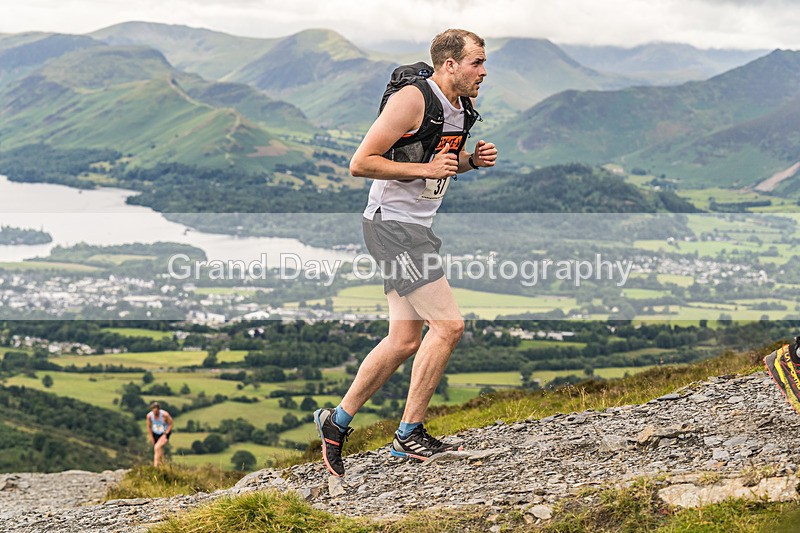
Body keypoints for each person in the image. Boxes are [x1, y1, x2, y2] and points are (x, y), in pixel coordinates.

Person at [314, 28, 497, 477]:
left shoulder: (462, 108)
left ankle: (335, 422)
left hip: (414, 228)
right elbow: (361, 162)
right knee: (449, 325)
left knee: (404, 340)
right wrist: (428, 168)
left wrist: (472, 161)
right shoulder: (414, 99)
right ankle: (408, 435)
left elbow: (437, 164)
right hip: (392, 228)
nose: (484, 71)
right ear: (449, 64)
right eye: (476, 62)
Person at [146, 401, 173, 467]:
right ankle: (162, 465)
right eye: (153, 411)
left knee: (156, 447)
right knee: (159, 450)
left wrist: (166, 433)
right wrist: (151, 437)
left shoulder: (165, 415)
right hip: (155, 433)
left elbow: (171, 424)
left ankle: (155, 466)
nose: (155, 413)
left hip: (164, 433)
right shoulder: (149, 416)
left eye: (156, 411)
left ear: (159, 410)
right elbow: (149, 426)